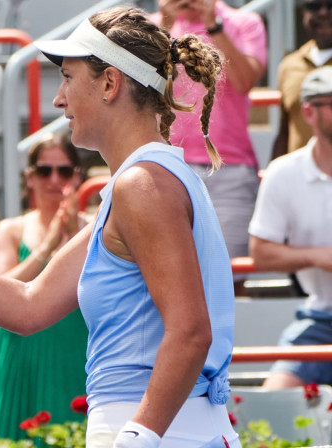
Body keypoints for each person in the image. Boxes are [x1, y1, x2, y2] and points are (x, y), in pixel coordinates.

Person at [0, 6, 238, 447]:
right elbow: (28, 305)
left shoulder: (143, 185)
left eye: (68, 78)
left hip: (159, 432)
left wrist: (139, 436)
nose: (58, 100)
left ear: (110, 83)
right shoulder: (144, 183)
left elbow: (191, 332)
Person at [152, 0, 266, 293]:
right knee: (165, 279)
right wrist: (165, 22)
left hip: (229, 170)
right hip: (168, 165)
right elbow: (140, 83)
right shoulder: (155, 26)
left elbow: (244, 82)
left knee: (228, 282)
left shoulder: (244, 23)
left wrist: (212, 23)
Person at [0, 132, 90, 437]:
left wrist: (72, 239)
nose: (54, 179)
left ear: (77, 176)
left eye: (64, 171)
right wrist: (46, 249)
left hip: (76, 350)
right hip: (21, 354)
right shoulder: (10, 230)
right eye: (44, 171)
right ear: (30, 178)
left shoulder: (94, 228)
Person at [249, 66, 332, 390]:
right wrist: (318, 257)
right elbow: (261, 253)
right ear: (309, 112)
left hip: (317, 318)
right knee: (274, 403)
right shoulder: (284, 173)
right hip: (320, 318)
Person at [271, 0, 332, 160]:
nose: (323, 13)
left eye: (331, 5)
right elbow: (285, 130)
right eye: (314, 6)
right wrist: (273, 173)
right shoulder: (289, 65)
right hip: (298, 179)